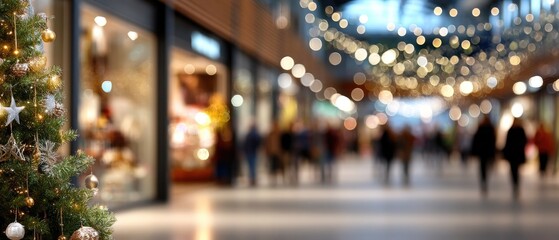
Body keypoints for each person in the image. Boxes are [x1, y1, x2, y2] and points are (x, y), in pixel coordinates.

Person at [471, 116, 496, 196]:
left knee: (482, 167)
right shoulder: (491, 128)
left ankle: (483, 180)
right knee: (486, 166)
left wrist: (475, 151)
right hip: (488, 151)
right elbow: (493, 141)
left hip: (482, 152)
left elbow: (475, 140)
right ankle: (484, 180)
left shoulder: (480, 128)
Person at [502, 118, 528, 199]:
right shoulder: (519, 130)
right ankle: (515, 184)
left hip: (514, 154)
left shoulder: (513, 130)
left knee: (514, 169)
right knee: (515, 169)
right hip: (515, 154)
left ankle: (515, 183)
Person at [265, 122, 283, 186]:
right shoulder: (270, 134)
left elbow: (281, 144)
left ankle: (277, 177)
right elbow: (267, 143)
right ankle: (273, 177)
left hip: (277, 152)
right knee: (272, 165)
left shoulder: (279, 134)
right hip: (271, 152)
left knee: (277, 165)